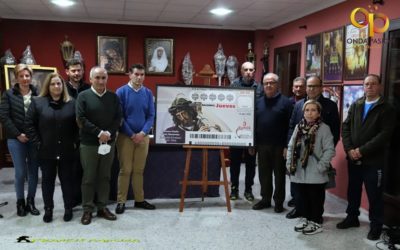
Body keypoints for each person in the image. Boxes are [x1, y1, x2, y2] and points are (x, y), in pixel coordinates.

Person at [337, 74, 396, 241]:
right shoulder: (357, 104)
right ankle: (352, 218)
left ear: (379, 86)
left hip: (373, 161)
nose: (369, 87)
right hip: (354, 159)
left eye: (373, 84)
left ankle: (376, 225)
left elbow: (384, 135)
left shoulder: (387, 108)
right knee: (353, 190)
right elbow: (346, 126)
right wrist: (349, 149)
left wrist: (361, 150)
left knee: (374, 194)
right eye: (366, 84)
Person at [25, 73, 78, 223]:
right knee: (47, 182)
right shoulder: (38, 103)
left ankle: (68, 208)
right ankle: (49, 209)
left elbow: (78, 126)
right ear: (47, 86)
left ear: (63, 86)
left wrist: (75, 142)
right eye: (53, 84)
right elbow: (29, 124)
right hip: (46, 150)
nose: (56, 86)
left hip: (67, 150)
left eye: (59, 84)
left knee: (67, 180)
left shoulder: (72, 103)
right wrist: (37, 143)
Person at [286, 76, 340, 219]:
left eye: (314, 86)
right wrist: (289, 149)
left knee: (315, 191)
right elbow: (292, 126)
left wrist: (324, 158)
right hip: (299, 156)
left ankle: (316, 217)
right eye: (309, 86)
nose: (311, 89)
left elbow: (334, 132)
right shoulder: (298, 105)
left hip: (317, 156)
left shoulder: (330, 106)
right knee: (298, 188)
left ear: (321, 87)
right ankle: (299, 209)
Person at [76, 66, 122, 225]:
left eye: (103, 78)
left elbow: (118, 118)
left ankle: (102, 207)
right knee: (89, 177)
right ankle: (87, 209)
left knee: (105, 176)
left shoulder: (113, 97)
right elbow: (81, 119)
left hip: (108, 143)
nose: (101, 81)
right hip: (89, 144)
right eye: (97, 78)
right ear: (90, 79)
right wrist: (98, 133)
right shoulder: (83, 96)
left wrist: (108, 133)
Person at [286, 100, 335, 235]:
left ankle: (316, 222)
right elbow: (291, 147)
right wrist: (289, 163)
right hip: (300, 170)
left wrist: (321, 166)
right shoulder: (299, 127)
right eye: (307, 110)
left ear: (319, 113)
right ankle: (306, 218)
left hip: (316, 171)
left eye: (313, 110)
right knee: (302, 197)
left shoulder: (324, 128)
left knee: (316, 198)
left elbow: (330, 150)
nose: (310, 113)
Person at [115, 64, 156, 214]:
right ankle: (121, 201)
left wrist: (143, 133)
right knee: (125, 170)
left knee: (139, 170)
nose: (139, 77)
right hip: (126, 137)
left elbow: (151, 116)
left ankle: (139, 200)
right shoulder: (121, 92)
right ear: (130, 75)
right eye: (136, 74)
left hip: (143, 137)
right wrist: (132, 134)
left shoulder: (148, 93)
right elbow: (119, 117)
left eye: (142, 74)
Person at [0, 64, 40, 217]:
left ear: (31, 77)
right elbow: (4, 116)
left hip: (34, 139)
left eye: (27, 76)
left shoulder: (38, 93)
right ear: (16, 77)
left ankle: (31, 201)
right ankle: (20, 202)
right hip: (15, 139)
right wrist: (18, 134)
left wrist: (35, 135)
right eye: (21, 76)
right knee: (20, 172)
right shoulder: (8, 94)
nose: (25, 79)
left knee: (34, 171)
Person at [252, 73, 292, 212]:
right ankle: (265, 199)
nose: (268, 85)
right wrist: (253, 144)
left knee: (279, 175)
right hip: (262, 145)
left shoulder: (287, 103)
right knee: (264, 174)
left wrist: (287, 146)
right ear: (263, 85)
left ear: (277, 85)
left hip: (280, 146)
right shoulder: (258, 102)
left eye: (272, 83)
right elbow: (254, 124)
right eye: (266, 83)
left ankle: (279, 202)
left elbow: (291, 126)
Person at [228, 62, 263, 201]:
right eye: (246, 70)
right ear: (241, 71)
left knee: (250, 164)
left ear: (254, 71)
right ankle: (234, 189)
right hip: (236, 132)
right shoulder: (233, 85)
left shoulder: (259, 87)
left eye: (251, 70)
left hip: (252, 133)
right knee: (235, 163)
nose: (248, 72)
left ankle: (248, 190)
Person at [65, 58, 90, 207]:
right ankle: (72, 198)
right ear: (67, 71)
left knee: (85, 167)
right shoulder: (61, 88)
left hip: (86, 133)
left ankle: (84, 197)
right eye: (73, 70)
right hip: (68, 134)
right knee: (70, 169)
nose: (76, 73)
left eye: (79, 70)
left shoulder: (88, 88)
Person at [287, 77, 306, 207]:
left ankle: (303, 199)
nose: (298, 89)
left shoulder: (310, 103)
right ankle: (295, 197)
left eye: (301, 86)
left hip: (308, 144)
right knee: (292, 172)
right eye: (296, 86)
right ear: (292, 88)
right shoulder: (287, 102)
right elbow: (288, 125)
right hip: (292, 143)